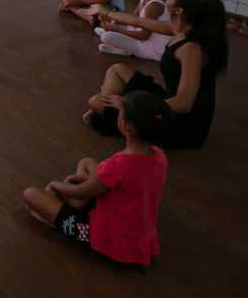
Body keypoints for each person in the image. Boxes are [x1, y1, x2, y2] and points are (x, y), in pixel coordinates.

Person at [23, 91, 171, 268]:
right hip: (137, 232)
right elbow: (113, 182)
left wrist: (57, 185)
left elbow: (80, 191)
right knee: (86, 162)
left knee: (31, 194)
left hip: (105, 236)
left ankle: (61, 222)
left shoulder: (119, 165)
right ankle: (67, 209)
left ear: (125, 126)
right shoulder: (159, 156)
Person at [84, 0, 228, 149]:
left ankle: (107, 115)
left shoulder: (191, 48)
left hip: (183, 125)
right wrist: (105, 12)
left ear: (179, 10)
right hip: (168, 100)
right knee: (117, 70)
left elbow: (184, 103)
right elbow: (137, 20)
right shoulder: (179, 29)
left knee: (94, 101)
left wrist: (127, 103)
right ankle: (108, 115)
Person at [94, 0, 179, 59]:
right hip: (141, 36)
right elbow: (131, 20)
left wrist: (116, 29)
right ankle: (123, 48)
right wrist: (112, 21)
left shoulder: (154, 6)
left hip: (151, 47)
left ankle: (126, 49)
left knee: (106, 37)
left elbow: (144, 36)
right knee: (110, 30)